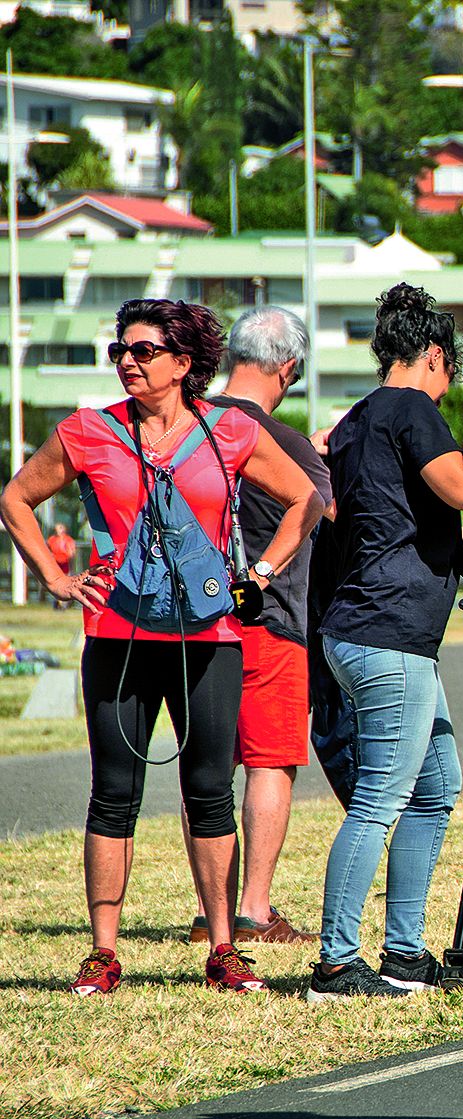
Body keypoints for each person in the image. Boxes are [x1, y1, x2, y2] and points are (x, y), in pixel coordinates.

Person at [0, 298, 321, 996]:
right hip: (117, 635)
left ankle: (225, 947)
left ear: (183, 363)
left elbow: (306, 499)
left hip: (210, 636)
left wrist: (260, 574)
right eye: (122, 348)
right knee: (113, 794)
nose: (128, 361)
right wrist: (55, 577)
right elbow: (16, 497)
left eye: (144, 350)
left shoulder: (227, 430)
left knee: (209, 791)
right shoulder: (89, 432)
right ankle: (102, 952)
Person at [310, 285, 463, 1000]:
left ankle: (405, 954)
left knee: (435, 786)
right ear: (435, 358)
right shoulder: (413, 408)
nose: (450, 394)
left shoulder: (357, 419)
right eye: (451, 378)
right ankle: (335, 959)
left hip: (370, 631)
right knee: (383, 795)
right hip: (386, 632)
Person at [183, 306, 332, 948]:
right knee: (269, 761)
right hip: (270, 621)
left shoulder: (184, 428)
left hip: (189, 621)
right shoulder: (289, 445)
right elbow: (324, 511)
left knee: (206, 764)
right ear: (288, 368)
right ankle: (253, 908)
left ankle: (210, 911)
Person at [44, 523, 76, 605]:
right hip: (55, 563)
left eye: (61, 528)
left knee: (66, 581)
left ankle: (65, 602)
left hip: (65, 563)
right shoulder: (52, 539)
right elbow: (47, 549)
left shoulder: (68, 540)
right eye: (58, 528)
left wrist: (71, 561)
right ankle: (57, 601)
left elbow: (71, 553)